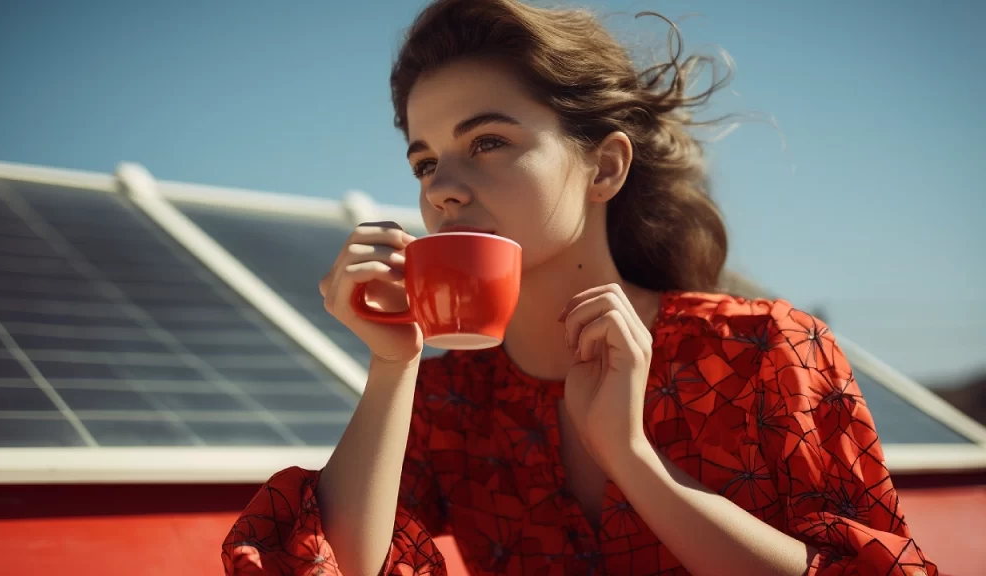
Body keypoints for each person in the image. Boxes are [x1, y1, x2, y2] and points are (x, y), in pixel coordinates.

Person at [222, 0, 938, 574]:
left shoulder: (764, 353)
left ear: (603, 169)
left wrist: (633, 458)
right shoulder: (449, 406)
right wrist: (391, 366)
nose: (442, 188)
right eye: (424, 161)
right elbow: (330, 565)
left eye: (488, 142)